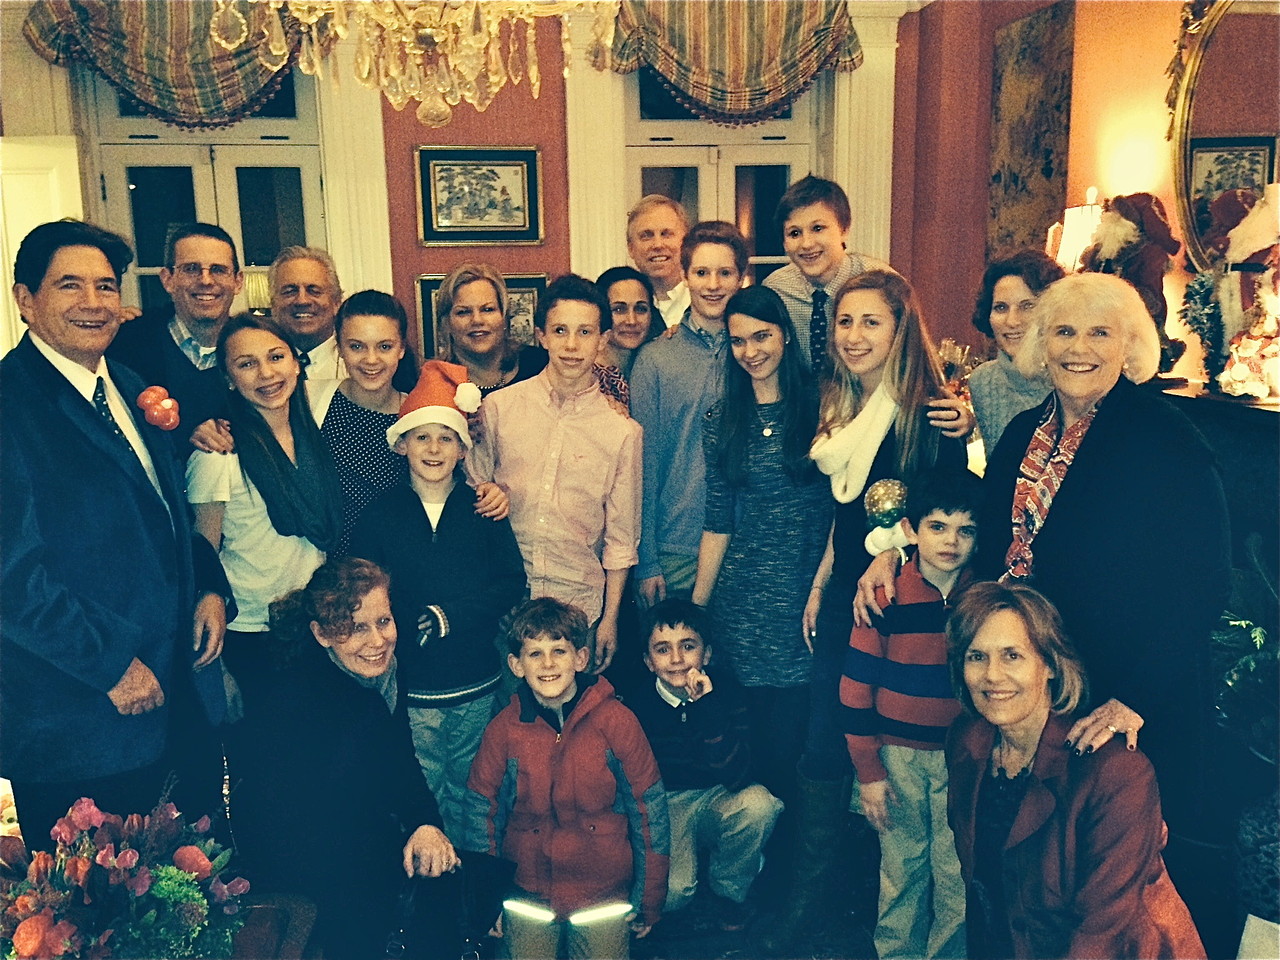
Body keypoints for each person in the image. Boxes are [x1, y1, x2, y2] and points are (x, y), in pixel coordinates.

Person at [859, 272, 1233, 953]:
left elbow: (1203, 580)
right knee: (1023, 874)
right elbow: (978, 538)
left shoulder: (1167, 438)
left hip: (1119, 698)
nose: (1079, 348)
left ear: (1130, 344)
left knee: (1104, 893)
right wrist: (894, 554)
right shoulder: (1028, 431)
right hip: (1031, 690)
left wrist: (1132, 698)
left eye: (1099, 332)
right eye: (1063, 331)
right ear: (1040, 342)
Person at [1, 220, 230, 845]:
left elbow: (168, 515)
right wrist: (109, 667)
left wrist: (209, 586)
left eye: (105, 285)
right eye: (69, 285)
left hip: (176, 698)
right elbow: (12, 579)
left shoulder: (129, 388)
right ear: (25, 300)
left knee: (198, 899)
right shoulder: (8, 404)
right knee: (103, 926)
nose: (94, 302)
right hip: (83, 719)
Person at [766, 269, 972, 953]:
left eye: (870, 323)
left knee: (887, 741)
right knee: (830, 734)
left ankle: (856, 909)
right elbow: (851, 510)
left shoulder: (928, 411)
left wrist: (896, 554)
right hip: (854, 586)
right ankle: (820, 908)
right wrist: (828, 574)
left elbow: (945, 510)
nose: (854, 337)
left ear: (900, 329)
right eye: (845, 323)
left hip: (905, 602)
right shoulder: (845, 407)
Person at [944, 581, 1205, 960]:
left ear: (1049, 664)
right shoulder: (968, 742)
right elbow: (985, 895)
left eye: (1012, 656)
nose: (992, 676)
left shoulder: (1116, 774)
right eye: (976, 656)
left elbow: (1102, 931)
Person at [231, 557, 464, 959]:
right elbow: (281, 820)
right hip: (309, 881)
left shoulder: (384, 676)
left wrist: (426, 823)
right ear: (322, 634)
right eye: (357, 628)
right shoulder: (293, 699)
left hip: (363, 859)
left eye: (383, 622)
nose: (377, 641)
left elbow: (401, 762)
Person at [348, 359, 527, 838]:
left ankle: (473, 883)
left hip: (475, 684)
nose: (433, 448)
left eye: (446, 437)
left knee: (476, 790)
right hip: (407, 687)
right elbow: (361, 588)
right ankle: (431, 888)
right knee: (421, 790)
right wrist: (405, 621)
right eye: (422, 437)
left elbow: (512, 583)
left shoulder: (482, 509)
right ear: (402, 443)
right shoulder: (380, 514)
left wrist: (450, 617)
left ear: (463, 448)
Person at [462, 597, 670, 959]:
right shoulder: (503, 731)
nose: (547, 664)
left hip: (602, 892)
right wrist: (488, 900)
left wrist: (648, 898)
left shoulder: (617, 721)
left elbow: (648, 810)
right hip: (528, 893)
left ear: (581, 658)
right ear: (515, 664)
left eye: (558, 650)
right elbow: (482, 814)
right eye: (534, 653)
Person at [690, 284, 829, 810]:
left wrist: (820, 585)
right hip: (742, 603)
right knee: (754, 752)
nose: (751, 351)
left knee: (800, 744)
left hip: (805, 598)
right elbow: (718, 520)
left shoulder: (826, 408)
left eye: (762, 336)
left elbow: (843, 511)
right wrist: (699, 612)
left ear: (786, 336)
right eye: (739, 341)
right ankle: (755, 875)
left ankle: (798, 874)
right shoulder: (722, 420)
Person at [840, 468, 983, 960]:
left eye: (966, 530)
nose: (951, 540)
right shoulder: (885, 594)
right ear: (910, 530)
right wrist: (868, 773)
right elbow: (855, 689)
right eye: (937, 526)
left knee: (956, 870)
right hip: (896, 758)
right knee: (901, 869)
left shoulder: (982, 600)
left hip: (962, 758)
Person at [466, 274, 641, 674]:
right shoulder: (499, 410)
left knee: (574, 721)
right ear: (541, 336)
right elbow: (472, 489)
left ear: (603, 339)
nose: (572, 345)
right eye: (560, 331)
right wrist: (487, 491)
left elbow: (620, 537)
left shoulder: (622, 432)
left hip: (577, 602)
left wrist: (610, 618)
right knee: (512, 717)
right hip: (507, 597)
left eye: (585, 332)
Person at [186, 314, 343, 706]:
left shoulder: (314, 437)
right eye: (246, 364)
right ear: (228, 378)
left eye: (275, 357)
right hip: (252, 632)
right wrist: (217, 669)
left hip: (313, 621)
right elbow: (200, 560)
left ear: (295, 362)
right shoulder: (219, 454)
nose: (266, 373)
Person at [627, 599, 783, 931]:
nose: (677, 659)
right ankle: (688, 868)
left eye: (688, 646)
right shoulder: (637, 706)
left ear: (706, 655)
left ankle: (729, 890)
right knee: (671, 896)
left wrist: (706, 708)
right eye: (663, 649)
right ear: (648, 661)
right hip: (666, 803)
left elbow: (739, 776)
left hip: (718, 794)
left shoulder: (729, 694)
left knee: (759, 807)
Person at [630, 221, 748, 608]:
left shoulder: (759, 353)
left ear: (741, 278)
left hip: (747, 544)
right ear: (685, 277)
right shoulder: (656, 358)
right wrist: (647, 560)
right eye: (701, 272)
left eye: (725, 273)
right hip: (675, 547)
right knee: (671, 664)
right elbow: (644, 466)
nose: (713, 284)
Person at [106, 222, 243, 453]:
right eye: (191, 269)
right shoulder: (124, 345)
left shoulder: (257, 351)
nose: (206, 280)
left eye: (218, 270)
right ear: (167, 279)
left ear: (238, 281)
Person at [762, 175, 892, 371]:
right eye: (794, 233)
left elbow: (913, 353)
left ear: (844, 229)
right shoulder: (776, 289)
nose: (806, 244)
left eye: (817, 228)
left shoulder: (881, 283)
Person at [965, 249, 1064, 452]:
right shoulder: (983, 381)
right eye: (1001, 308)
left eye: (1027, 306)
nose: (1012, 321)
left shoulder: (1075, 378)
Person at [433, 261, 548, 396]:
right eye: (463, 312)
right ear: (446, 323)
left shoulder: (542, 367)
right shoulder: (435, 384)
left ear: (504, 317)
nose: (477, 320)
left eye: (487, 309)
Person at [626, 194, 690, 328]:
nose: (658, 245)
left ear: (686, 242)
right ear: (631, 248)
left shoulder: (708, 301)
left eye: (666, 234)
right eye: (646, 236)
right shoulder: (622, 313)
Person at [596, 265, 663, 379]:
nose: (632, 321)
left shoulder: (649, 367)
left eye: (640, 309)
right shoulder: (587, 377)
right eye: (619, 309)